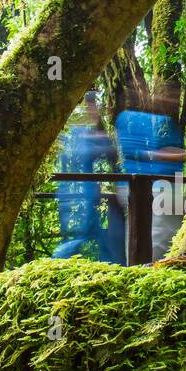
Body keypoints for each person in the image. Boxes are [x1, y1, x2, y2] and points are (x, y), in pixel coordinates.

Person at [114, 84, 186, 262]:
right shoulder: (128, 120)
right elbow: (135, 153)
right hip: (151, 188)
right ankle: (149, 275)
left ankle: (147, 272)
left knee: (158, 235)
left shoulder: (166, 123)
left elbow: (178, 155)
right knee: (156, 239)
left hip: (165, 188)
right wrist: (164, 154)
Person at [53, 91, 122, 263]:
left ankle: (113, 266)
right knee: (78, 237)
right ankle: (58, 264)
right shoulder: (75, 132)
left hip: (89, 196)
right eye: (92, 107)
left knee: (99, 237)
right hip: (77, 197)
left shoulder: (86, 134)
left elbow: (108, 154)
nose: (94, 111)